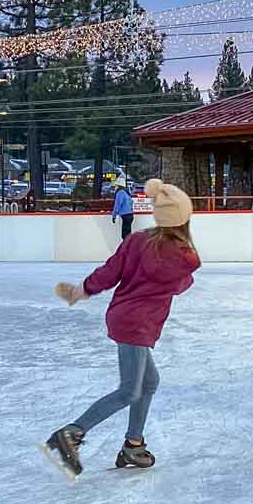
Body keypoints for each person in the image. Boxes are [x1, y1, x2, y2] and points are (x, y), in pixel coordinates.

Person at [44, 178, 201, 477]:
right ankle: (71, 433)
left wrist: (81, 290)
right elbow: (182, 284)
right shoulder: (185, 257)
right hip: (138, 325)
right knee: (130, 390)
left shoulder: (136, 241)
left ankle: (133, 443)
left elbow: (109, 272)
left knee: (149, 382)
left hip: (121, 316)